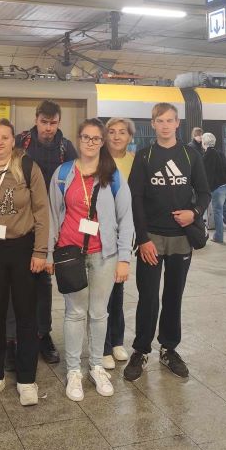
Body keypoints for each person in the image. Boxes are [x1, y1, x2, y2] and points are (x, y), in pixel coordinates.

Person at [48, 118, 134, 402]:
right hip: (70, 253)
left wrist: (124, 258)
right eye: (86, 137)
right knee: (74, 312)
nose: (90, 142)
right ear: (79, 139)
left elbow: (126, 218)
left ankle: (96, 365)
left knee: (98, 313)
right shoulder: (63, 174)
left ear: (102, 142)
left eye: (96, 138)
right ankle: (74, 370)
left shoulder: (113, 175)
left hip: (104, 254)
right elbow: (52, 216)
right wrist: (49, 253)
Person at [125, 102, 210, 382]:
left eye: (169, 120)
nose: (164, 125)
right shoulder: (144, 156)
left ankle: (169, 348)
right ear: (153, 124)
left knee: (174, 295)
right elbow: (135, 198)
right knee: (148, 297)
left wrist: (193, 213)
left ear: (177, 124)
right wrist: (142, 238)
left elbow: (204, 192)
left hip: (181, 239)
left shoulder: (190, 155)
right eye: (159, 121)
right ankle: (141, 350)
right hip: (152, 239)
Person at [0, 118, 49, 406]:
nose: (0, 142)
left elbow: (42, 211)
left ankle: (27, 380)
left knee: (26, 315)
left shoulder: (28, 168)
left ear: (13, 141)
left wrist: (41, 251)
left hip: (23, 248)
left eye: (5, 137)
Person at [6, 100, 77, 368]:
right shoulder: (20, 143)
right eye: (44, 122)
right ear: (36, 119)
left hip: (50, 223)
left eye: (53, 123)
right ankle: (12, 340)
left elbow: (74, 185)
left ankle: (42, 335)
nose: (48, 128)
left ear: (59, 122)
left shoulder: (66, 148)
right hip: (20, 220)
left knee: (43, 282)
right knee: (15, 282)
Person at [102, 117, 136, 370]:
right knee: (101, 294)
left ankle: (116, 341)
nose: (116, 136)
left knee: (118, 289)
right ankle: (102, 346)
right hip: (101, 234)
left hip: (124, 231)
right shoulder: (99, 160)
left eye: (122, 132)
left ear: (130, 137)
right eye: (111, 132)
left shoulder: (136, 162)